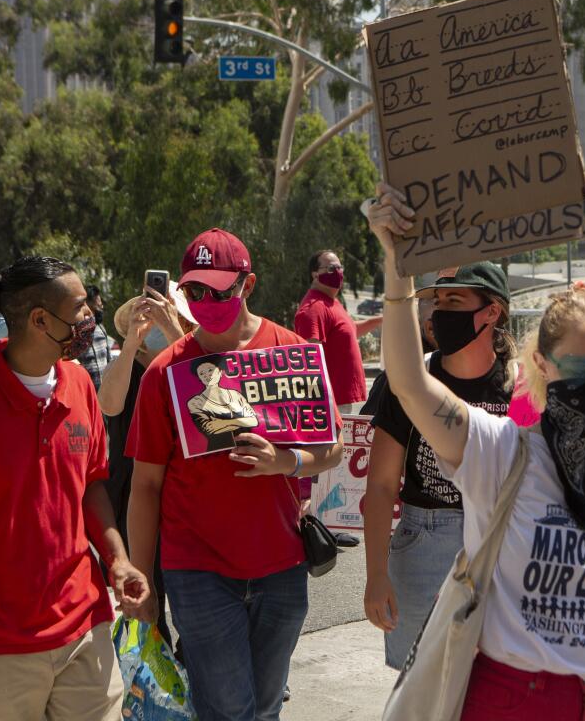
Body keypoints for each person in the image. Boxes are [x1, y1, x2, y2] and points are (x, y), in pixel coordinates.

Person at [368, 184, 585, 719]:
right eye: (577, 368)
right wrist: (397, 262)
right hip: (514, 702)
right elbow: (408, 380)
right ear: (543, 365)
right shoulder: (498, 451)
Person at [125, 228, 345, 721]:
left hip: (282, 567)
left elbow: (332, 449)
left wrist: (285, 463)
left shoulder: (291, 352)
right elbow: (145, 484)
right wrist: (144, 577)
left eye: (217, 290)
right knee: (228, 710)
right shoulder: (164, 373)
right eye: (194, 291)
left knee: (265, 707)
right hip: (198, 573)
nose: (204, 301)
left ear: (247, 286)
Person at [0, 256, 149, 721]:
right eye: (81, 308)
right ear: (40, 320)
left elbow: (90, 487)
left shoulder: (79, 386)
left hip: (84, 626)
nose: (90, 319)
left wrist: (118, 559)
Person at [363, 262, 517, 670]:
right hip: (422, 546)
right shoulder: (409, 383)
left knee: (495, 684)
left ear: (492, 311)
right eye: (436, 300)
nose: (439, 312)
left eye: (454, 299)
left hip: (504, 546)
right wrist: (376, 575)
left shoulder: (520, 386)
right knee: (421, 689)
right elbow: (380, 486)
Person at [99, 282, 194, 647]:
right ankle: (150, 665)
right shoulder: (124, 364)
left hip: (183, 486)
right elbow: (109, 404)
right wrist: (131, 346)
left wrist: (173, 334)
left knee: (187, 588)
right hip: (132, 490)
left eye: (165, 310)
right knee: (144, 585)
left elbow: (205, 394)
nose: (154, 318)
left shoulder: (190, 360)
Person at [295, 249, 383, 413]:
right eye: (330, 268)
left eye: (339, 268)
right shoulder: (313, 308)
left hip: (340, 400)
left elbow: (348, 331)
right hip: (328, 403)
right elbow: (309, 357)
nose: (337, 272)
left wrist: (379, 321)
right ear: (315, 275)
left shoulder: (330, 302)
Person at [76, 285, 113, 391]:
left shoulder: (100, 328)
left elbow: (108, 358)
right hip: (86, 390)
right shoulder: (76, 329)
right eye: (97, 301)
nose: (100, 305)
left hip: (105, 391)